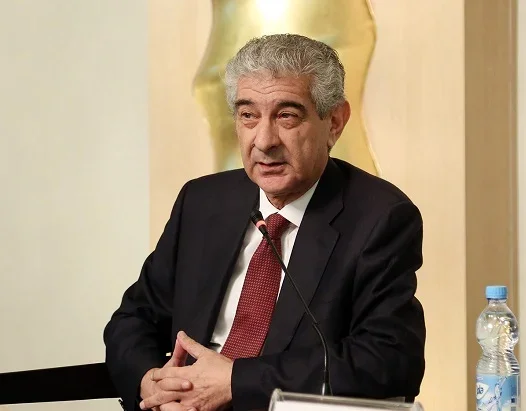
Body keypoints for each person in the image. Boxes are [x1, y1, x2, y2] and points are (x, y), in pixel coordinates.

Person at [104, 33, 426, 411]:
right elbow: (133, 319)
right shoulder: (202, 202)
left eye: (286, 115)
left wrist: (235, 381)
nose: (264, 140)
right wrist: (151, 384)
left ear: (335, 122)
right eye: (248, 115)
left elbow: (388, 361)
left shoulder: (379, 217)